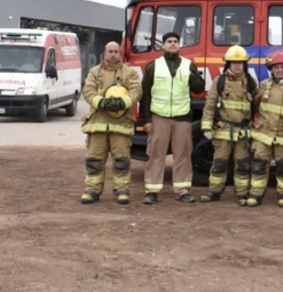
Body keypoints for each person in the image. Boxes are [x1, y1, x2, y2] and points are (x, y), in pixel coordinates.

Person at [140, 32, 205, 205]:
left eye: (176, 41)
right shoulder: (153, 66)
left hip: (183, 117)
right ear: (163, 45)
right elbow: (145, 94)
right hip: (159, 117)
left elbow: (199, 89)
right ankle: (152, 191)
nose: (172, 44)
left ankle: (182, 190)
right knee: (156, 155)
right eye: (169, 41)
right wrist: (146, 120)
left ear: (179, 45)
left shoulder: (188, 65)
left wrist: (194, 76)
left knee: (183, 154)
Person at [80, 42, 142, 205]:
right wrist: (101, 102)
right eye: (110, 51)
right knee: (94, 160)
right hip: (98, 123)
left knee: (122, 160)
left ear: (120, 53)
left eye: (116, 51)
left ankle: (122, 190)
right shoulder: (95, 72)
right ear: (105, 53)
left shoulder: (130, 73)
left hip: (120, 125)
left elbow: (137, 91)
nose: (113, 54)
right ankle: (92, 190)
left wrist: (124, 102)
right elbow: (88, 90)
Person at [200, 45, 258, 205]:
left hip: (243, 133)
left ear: (244, 64)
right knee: (219, 163)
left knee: (243, 165)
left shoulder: (251, 82)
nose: (237, 65)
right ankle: (214, 192)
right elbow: (210, 105)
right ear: (228, 64)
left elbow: (256, 108)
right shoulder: (220, 81)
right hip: (223, 131)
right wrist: (206, 127)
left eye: (240, 63)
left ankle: (242, 195)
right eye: (233, 62)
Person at [247, 51, 283, 208]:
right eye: (276, 67)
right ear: (271, 69)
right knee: (259, 164)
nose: (279, 70)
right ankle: (256, 194)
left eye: (282, 67)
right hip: (263, 134)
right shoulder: (264, 85)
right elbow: (255, 107)